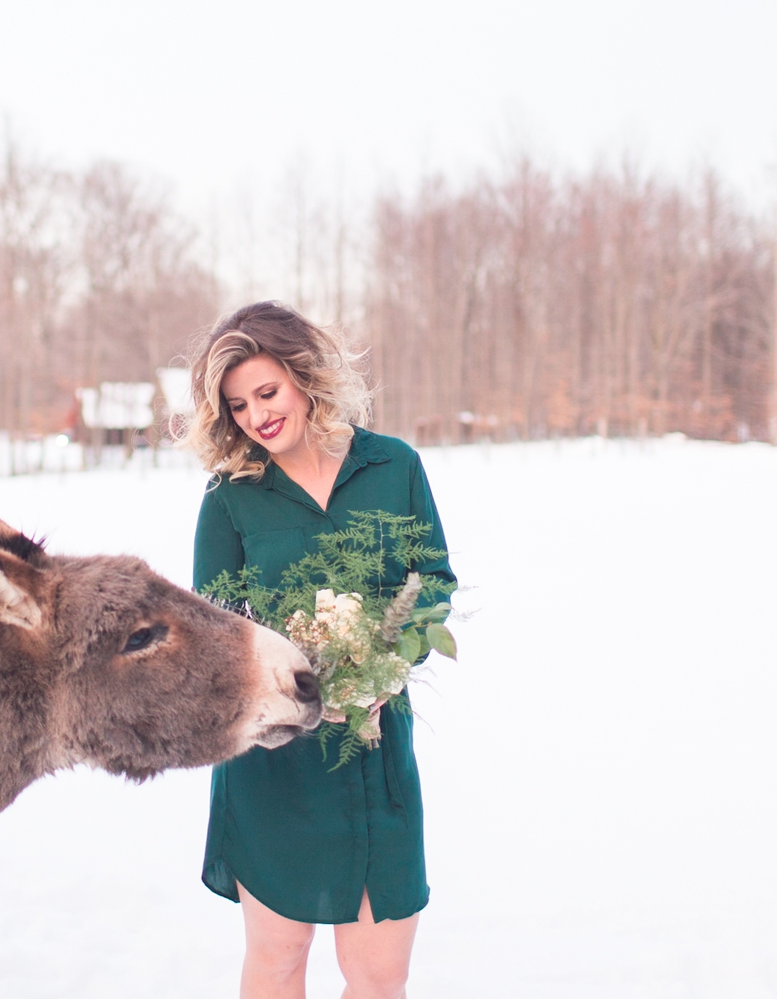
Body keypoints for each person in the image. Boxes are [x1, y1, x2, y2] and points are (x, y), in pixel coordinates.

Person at [182, 301, 455, 999]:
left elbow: (432, 587)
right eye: (238, 405)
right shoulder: (231, 499)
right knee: (278, 961)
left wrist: (383, 659)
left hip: (375, 757)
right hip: (276, 767)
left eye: (267, 392)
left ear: (305, 376)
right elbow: (212, 633)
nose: (256, 416)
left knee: (378, 974)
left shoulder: (394, 467)